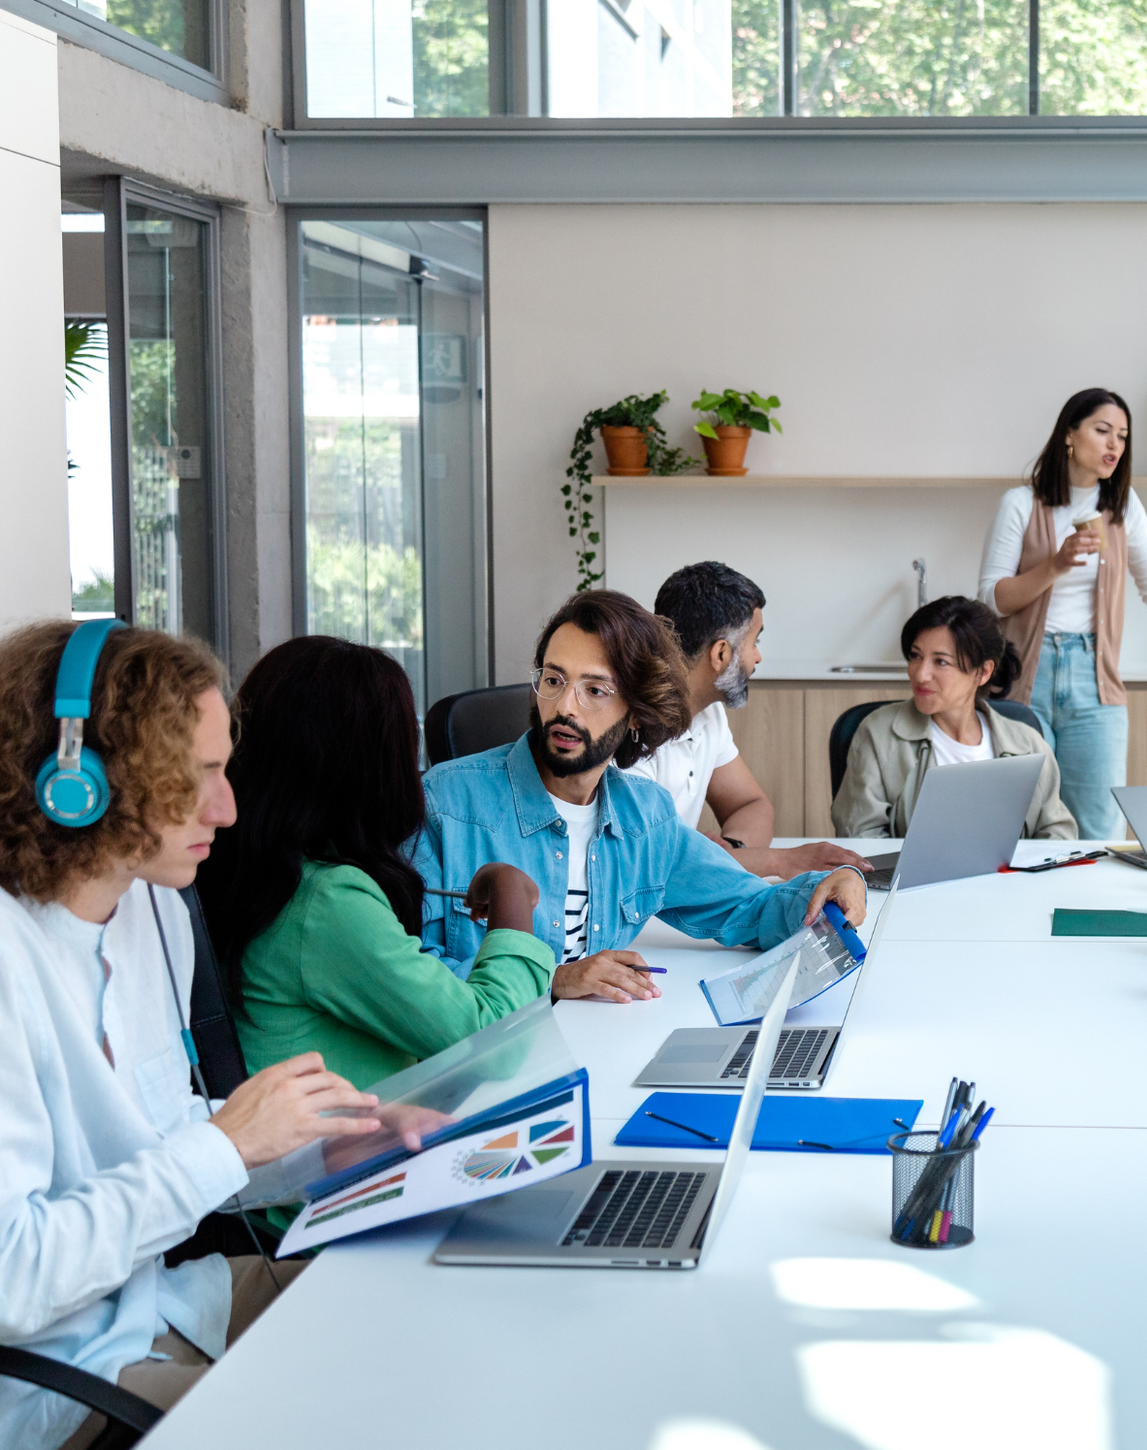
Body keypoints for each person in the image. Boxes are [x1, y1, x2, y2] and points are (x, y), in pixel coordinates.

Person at [0, 621, 389, 1450]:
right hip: (54, 1380)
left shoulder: (153, 910)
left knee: (409, 1304)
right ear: (83, 782)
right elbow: (15, 1277)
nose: (230, 807)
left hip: (161, 1305)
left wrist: (335, 1143)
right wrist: (224, 1142)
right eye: (200, 775)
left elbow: (167, 1136)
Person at [197, 637, 642, 1106]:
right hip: (353, 1164)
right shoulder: (326, 902)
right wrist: (512, 894)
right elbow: (495, 1045)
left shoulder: (261, 867)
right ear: (373, 764)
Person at [413, 589, 865, 977]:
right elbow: (406, 968)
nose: (565, 705)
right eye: (554, 679)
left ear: (635, 712)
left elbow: (749, 909)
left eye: (595, 690)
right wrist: (554, 980)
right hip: (485, 1062)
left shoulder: (646, 818)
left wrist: (831, 886)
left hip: (596, 1047)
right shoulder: (445, 803)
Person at [979, 387, 1147, 839]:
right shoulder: (1020, 504)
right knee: (1019, 823)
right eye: (1102, 431)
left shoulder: (1122, 509)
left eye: (1122, 437)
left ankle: (1086, 911)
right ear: (1070, 435)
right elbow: (992, 598)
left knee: (1099, 826)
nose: (1114, 446)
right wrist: (1056, 564)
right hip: (1025, 675)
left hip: (1095, 678)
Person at [631, 560, 871, 879]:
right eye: (754, 642)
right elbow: (645, 862)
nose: (757, 656)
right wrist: (780, 861)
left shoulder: (708, 713)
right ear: (720, 654)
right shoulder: (631, 728)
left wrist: (731, 851)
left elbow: (753, 805)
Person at [833, 596, 1076, 840]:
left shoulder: (1029, 745)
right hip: (912, 879)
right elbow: (861, 838)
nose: (921, 674)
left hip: (1011, 879)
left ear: (983, 672)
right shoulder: (878, 734)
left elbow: (1058, 836)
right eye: (916, 656)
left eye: (940, 662)